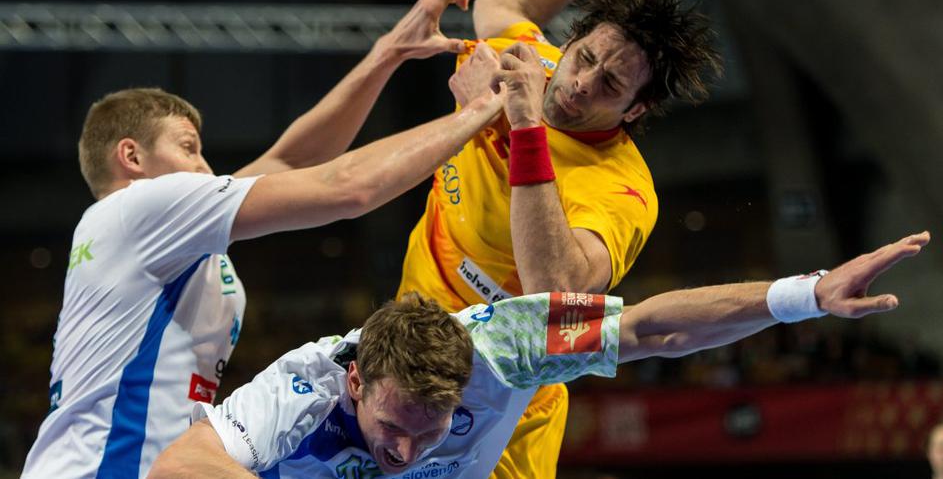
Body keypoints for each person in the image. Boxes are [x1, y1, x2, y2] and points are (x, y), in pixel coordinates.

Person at [21, 0, 510, 479]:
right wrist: (478, 110)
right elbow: (347, 187)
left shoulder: (146, 231)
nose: (206, 168)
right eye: (188, 148)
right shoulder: (140, 208)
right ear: (132, 157)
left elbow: (294, 160)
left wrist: (388, 53)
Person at [150, 232, 929, 478]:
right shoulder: (307, 381)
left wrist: (806, 294)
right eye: (391, 426)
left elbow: (651, 330)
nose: (406, 452)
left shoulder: (508, 342)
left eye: (430, 430)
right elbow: (181, 467)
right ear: (355, 380)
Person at [398, 0, 719, 477]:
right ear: (568, 43)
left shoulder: (621, 190)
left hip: (500, 404)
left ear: (635, 110)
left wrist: (522, 127)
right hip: (401, 351)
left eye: (610, 83)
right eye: (584, 58)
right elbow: (502, 1)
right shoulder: (529, 61)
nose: (581, 84)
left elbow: (555, 294)